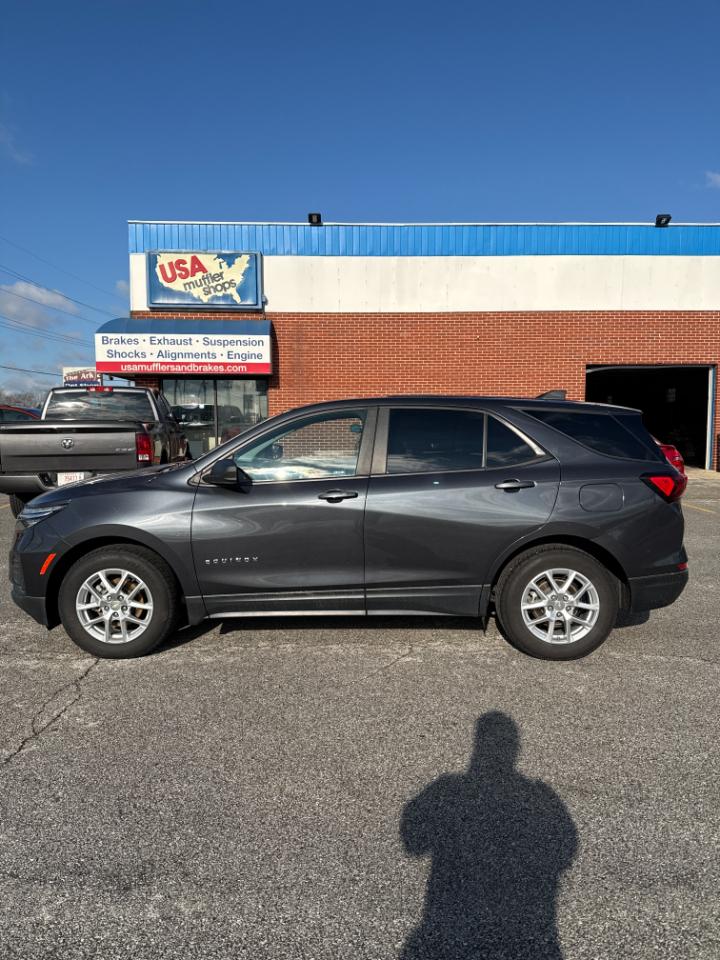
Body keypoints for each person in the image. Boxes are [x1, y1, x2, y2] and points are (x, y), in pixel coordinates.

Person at [400, 712, 578, 959]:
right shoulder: (540, 795)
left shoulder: (452, 788)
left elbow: (413, 840)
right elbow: (566, 849)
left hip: (453, 919)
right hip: (526, 925)